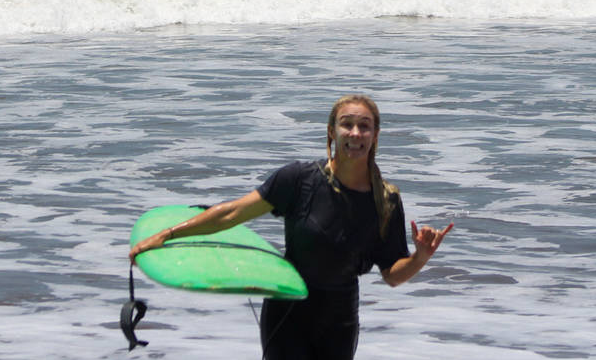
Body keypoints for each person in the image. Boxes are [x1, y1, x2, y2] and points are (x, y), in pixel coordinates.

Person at [129, 95, 453, 359]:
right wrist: (166, 235)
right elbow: (231, 214)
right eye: (347, 124)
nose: (356, 133)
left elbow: (393, 275)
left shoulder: (386, 200)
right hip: (288, 311)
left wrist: (421, 257)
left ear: (376, 135)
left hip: (340, 319)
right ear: (331, 132)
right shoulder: (299, 180)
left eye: (364, 126)